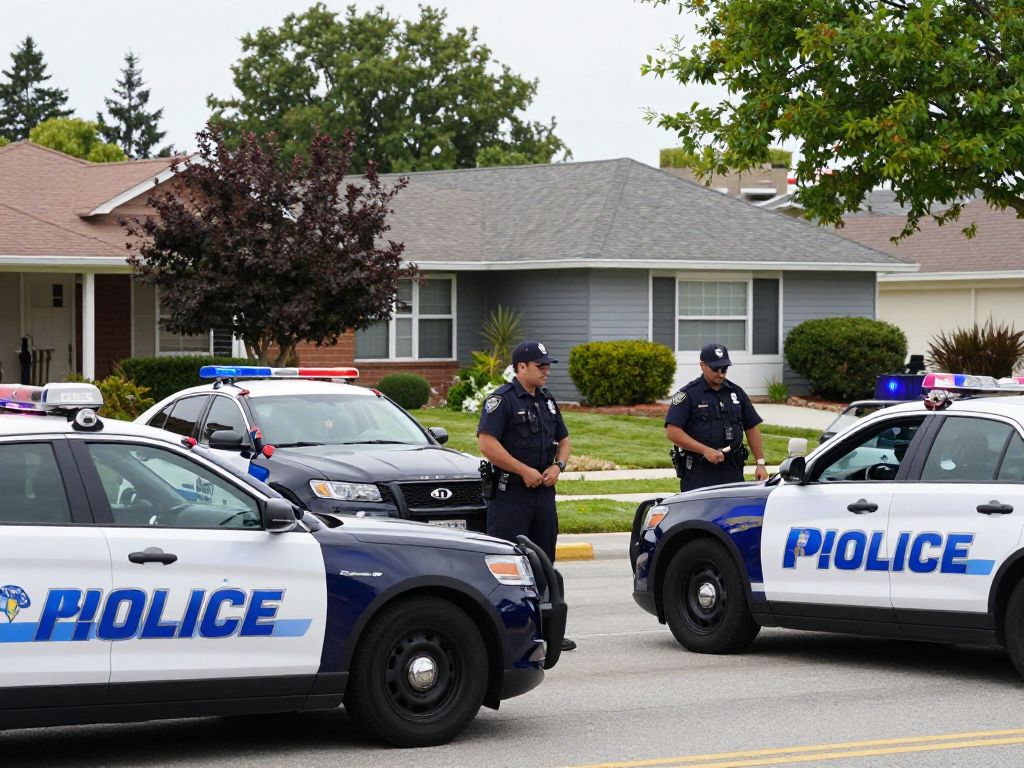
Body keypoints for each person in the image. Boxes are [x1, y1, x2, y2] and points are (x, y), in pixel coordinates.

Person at [477, 339, 576, 651]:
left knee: (544, 562)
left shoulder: (546, 400)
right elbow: (487, 443)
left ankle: (545, 631)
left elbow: (565, 439)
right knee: (509, 563)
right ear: (521, 367)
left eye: (547, 365)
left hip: (543, 495)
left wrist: (558, 466)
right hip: (511, 496)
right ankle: (507, 636)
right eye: (540, 366)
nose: (546, 371)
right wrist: (523, 470)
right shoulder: (502, 400)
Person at [665, 342, 769, 492]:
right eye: (715, 368)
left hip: (732, 469)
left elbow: (751, 426)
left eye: (724, 368)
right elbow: (672, 431)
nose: (720, 373)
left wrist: (760, 463)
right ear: (703, 365)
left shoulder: (736, 393)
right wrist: (705, 450)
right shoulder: (688, 395)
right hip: (699, 472)